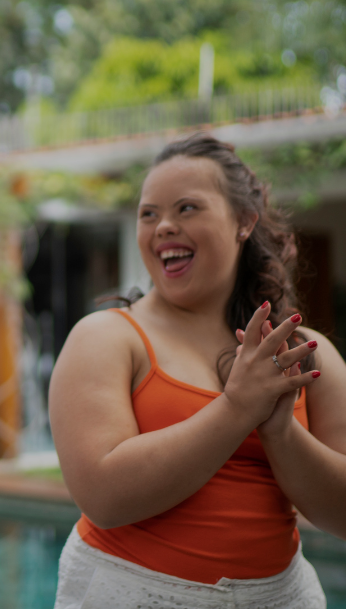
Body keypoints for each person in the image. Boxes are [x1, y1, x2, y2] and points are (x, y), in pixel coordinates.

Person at [49, 133, 346, 608]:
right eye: (149, 214)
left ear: (243, 221)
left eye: (186, 208)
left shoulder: (303, 352)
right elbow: (103, 497)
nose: (164, 226)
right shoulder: (105, 337)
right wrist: (237, 410)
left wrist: (280, 433)